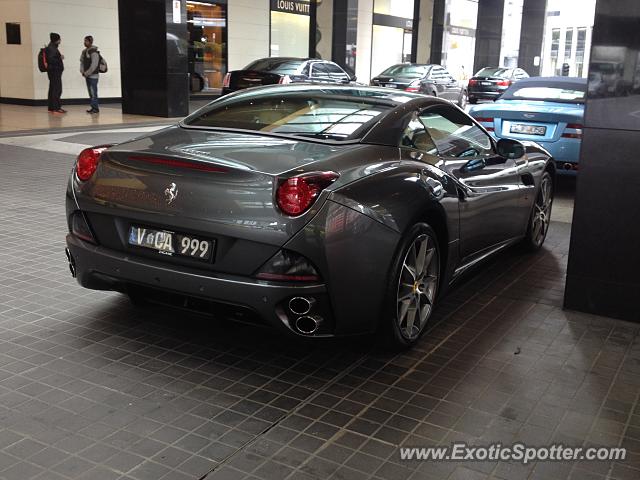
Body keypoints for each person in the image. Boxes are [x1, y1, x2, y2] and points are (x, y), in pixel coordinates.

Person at [46, 32, 65, 114]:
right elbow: (51, 60)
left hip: (53, 71)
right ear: (56, 40)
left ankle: (51, 107)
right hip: (55, 71)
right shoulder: (52, 48)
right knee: (57, 90)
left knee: (52, 89)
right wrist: (60, 58)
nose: (60, 41)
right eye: (59, 39)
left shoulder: (51, 47)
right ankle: (56, 108)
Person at [80, 35, 100, 114]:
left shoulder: (94, 52)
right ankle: (93, 107)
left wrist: (87, 73)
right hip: (87, 75)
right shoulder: (84, 51)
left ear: (90, 41)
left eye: (86, 41)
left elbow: (94, 65)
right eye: (84, 41)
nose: (85, 42)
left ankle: (95, 108)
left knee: (93, 92)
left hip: (93, 76)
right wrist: (82, 71)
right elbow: (81, 62)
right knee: (90, 92)